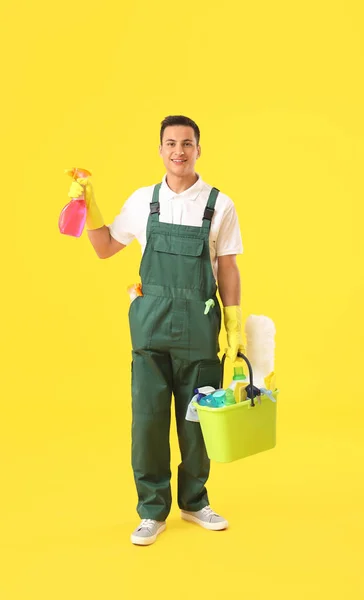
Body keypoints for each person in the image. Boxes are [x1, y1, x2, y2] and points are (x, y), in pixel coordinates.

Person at [68, 115, 245, 546]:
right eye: (171, 143)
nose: (179, 151)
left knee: (198, 423)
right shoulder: (144, 201)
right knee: (147, 423)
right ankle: (151, 511)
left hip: (200, 334)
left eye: (187, 143)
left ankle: (195, 501)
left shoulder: (219, 205)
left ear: (199, 149)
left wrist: (234, 323)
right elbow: (106, 247)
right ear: (161, 150)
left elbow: (227, 267)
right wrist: (89, 205)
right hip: (150, 333)